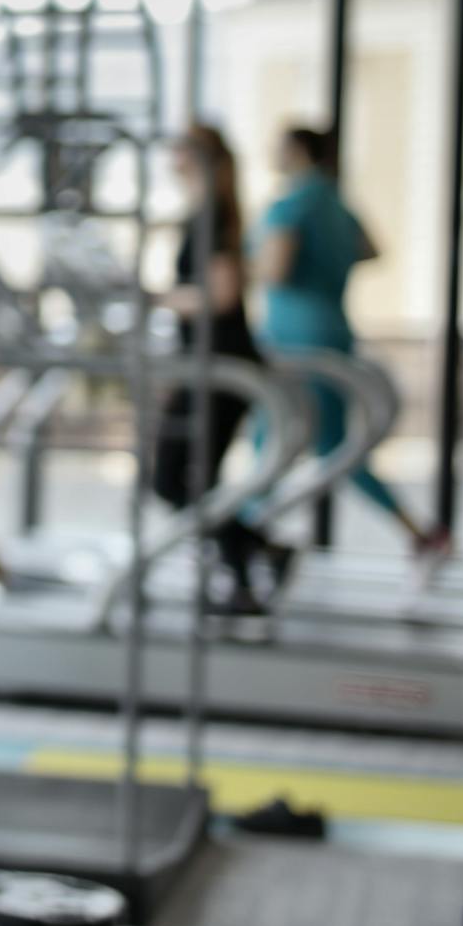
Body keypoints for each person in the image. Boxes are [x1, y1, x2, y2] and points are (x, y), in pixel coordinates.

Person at [248, 125, 448, 561]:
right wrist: (327, 265)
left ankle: (243, 535)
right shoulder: (336, 205)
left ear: (298, 151)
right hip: (333, 329)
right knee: (337, 445)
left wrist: (245, 264)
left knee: (269, 437)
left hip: (293, 337)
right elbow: (372, 250)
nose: (270, 154)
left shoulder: (290, 205)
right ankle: (418, 531)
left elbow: (274, 271)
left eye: (277, 147)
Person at [149, 124, 266, 611]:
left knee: (176, 479)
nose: (169, 157)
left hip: (221, 364)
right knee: (188, 479)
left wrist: (157, 298)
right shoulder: (205, 212)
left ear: (193, 157)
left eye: (177, 149)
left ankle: (249, 564)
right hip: (207, 364)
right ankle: (254, 556)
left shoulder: (212, 216)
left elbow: (221, 295)